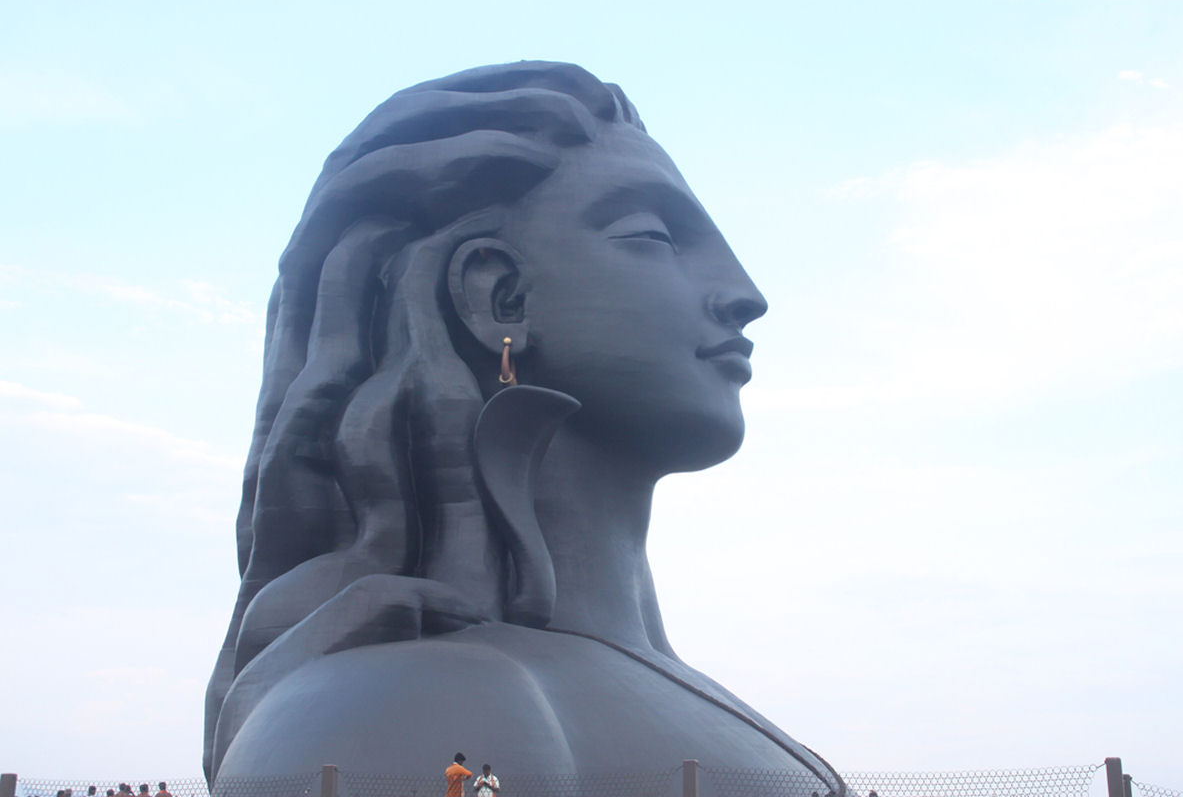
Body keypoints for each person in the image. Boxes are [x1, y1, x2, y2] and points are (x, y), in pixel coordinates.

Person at [203, 60, 842, 796]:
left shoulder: (619, 688)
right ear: (498, 295)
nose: (745, 294)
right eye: (655, 235)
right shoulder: (431, 705)